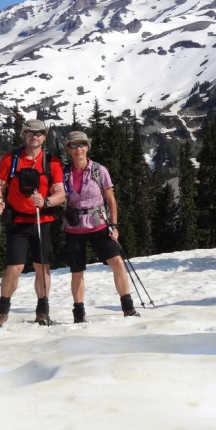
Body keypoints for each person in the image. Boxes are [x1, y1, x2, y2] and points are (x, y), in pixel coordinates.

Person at [0, 120, 66, 328]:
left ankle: (42, 309)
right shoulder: (11, 159)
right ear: (24, 135)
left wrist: (46, 201)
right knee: (14, 267)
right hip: (18, 221)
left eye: (39, 133)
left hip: (44, 220)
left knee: (42, 267)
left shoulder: (53, 162)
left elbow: (61, 193)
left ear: (44, 136)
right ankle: (2, 310)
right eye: (30, 133)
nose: (35, 136)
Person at [61, 130, 140, 323]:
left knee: (118, 262)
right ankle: (78, 314)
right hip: (74, 227)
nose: (78, 149)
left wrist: (114, 225)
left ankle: (128, 307)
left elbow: (110, 199)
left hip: (99, 224)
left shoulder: (99, 170)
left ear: (88, 147)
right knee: (77, 270)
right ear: (68, 149)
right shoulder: (63, 173)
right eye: (74, 145)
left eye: (82, 144)